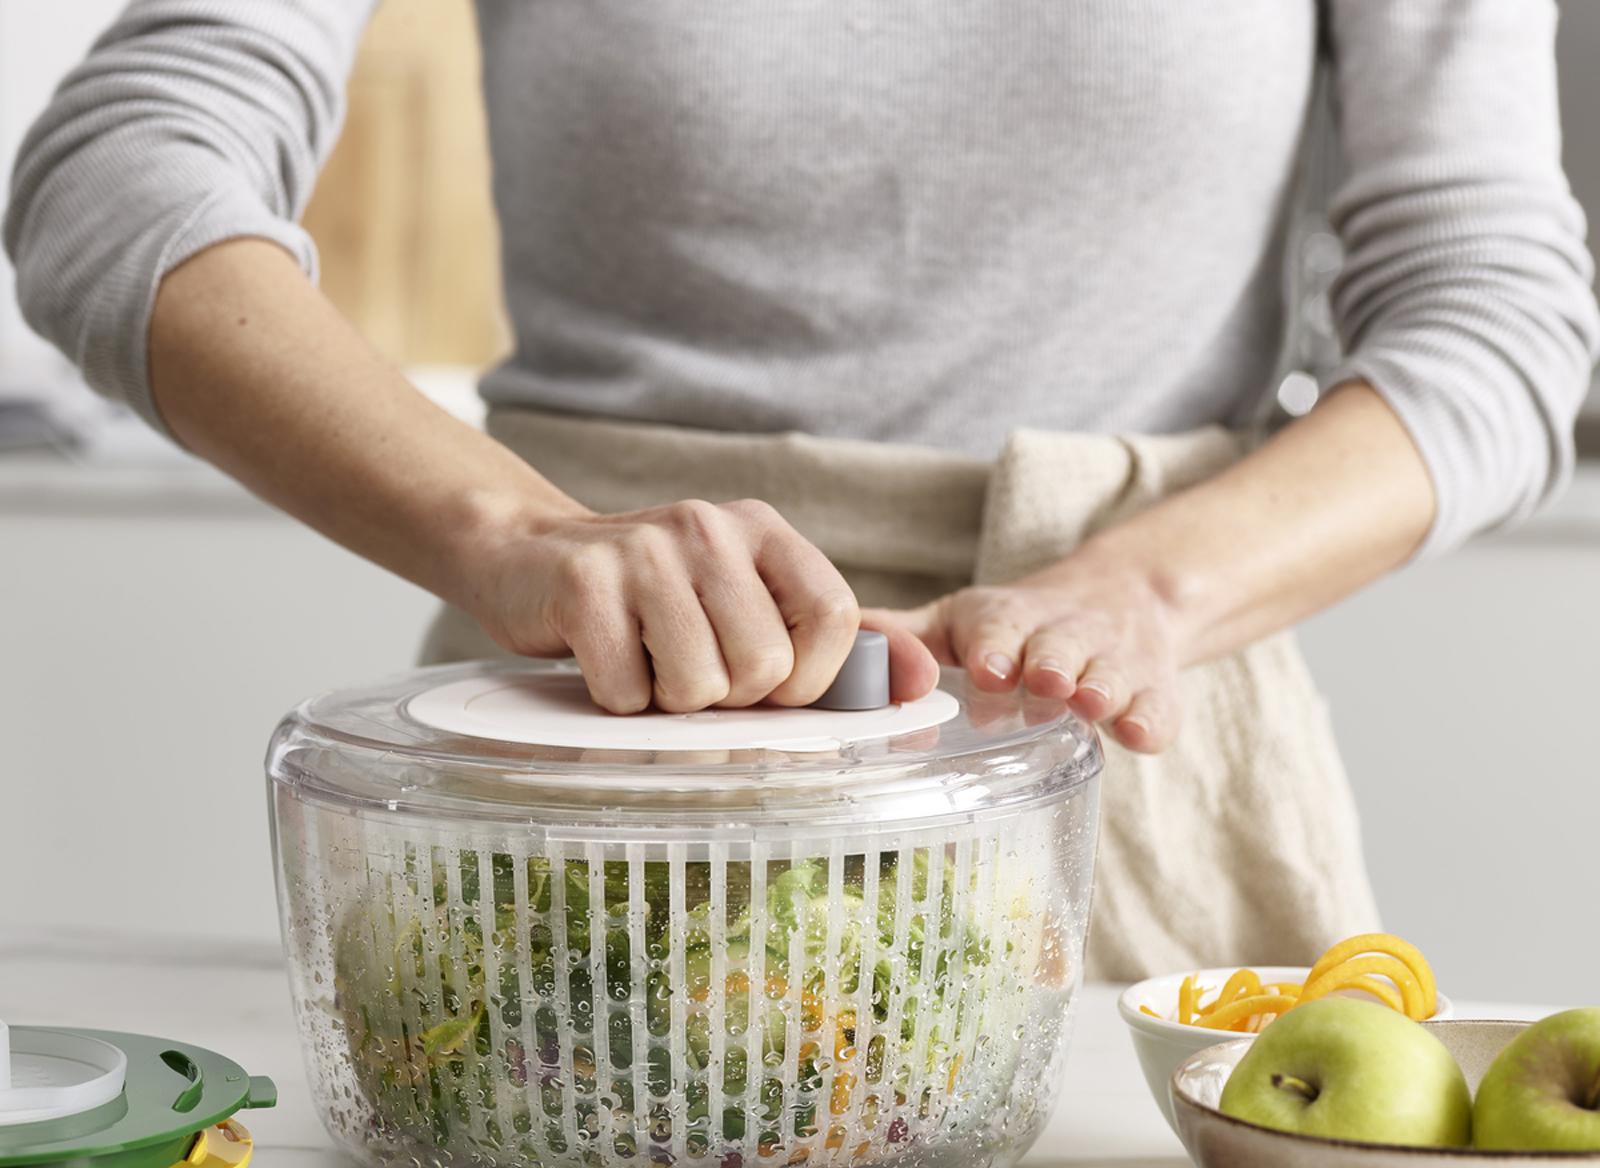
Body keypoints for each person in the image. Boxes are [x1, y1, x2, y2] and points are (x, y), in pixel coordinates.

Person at [7, 2, 1597, 977]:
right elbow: (119, 171)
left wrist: (1142, 591)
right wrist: (510, 531)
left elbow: (1502, 311)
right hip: (598, 735)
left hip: (1124, 747)